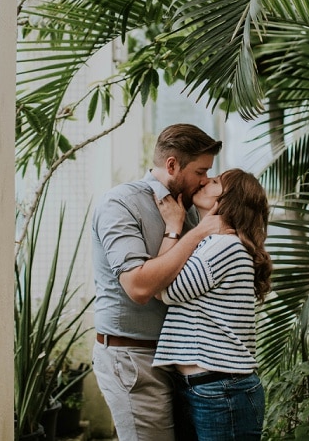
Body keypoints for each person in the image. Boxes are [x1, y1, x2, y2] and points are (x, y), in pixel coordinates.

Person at [91, 123, 224, 441]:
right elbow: (138, 288)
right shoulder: (120, 205)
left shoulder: (191, 209)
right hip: (134, 358)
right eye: (201, 171)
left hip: (180, 361)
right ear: (172, 164)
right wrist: (194, 233)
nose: (205, 180)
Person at [153, 170, 272, 441]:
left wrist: (173, 227)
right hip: (213, 387)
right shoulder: (216, 243)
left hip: (220, 390)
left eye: (215, 181)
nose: (205, 180)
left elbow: (161, 288)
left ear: (230, 200)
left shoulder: (224, 246)